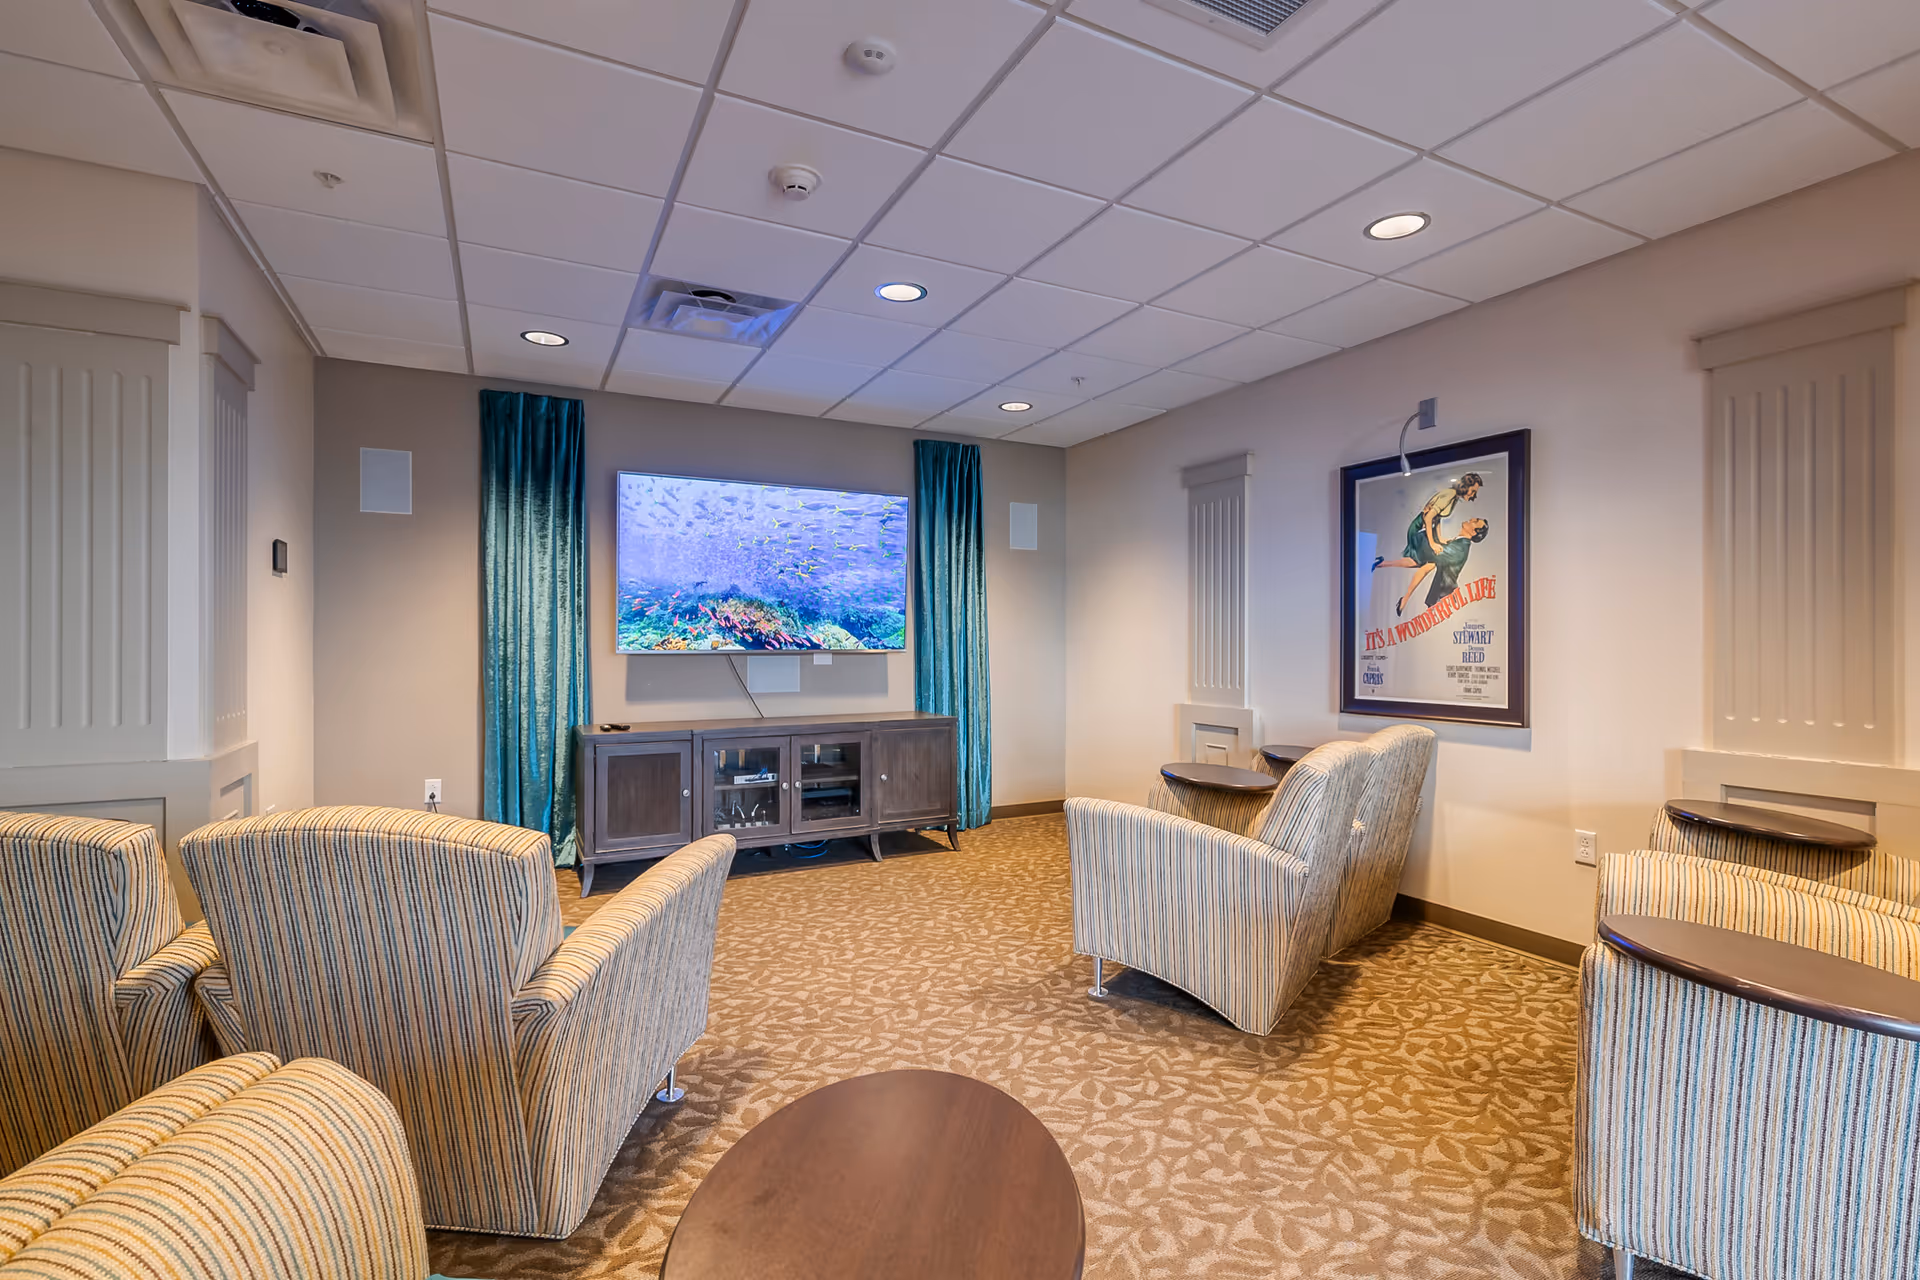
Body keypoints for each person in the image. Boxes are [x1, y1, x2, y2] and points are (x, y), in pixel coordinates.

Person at [1381, 516, 1488, 615]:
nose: (1472, 519)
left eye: (1475, 521)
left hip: (1444, 599)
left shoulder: (1459, 549)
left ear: (1473, 532)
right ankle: (1381, 564)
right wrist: (1406, 598)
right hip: (1439, 598)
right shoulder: (1457, 543)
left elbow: (1428, 550)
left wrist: (1428, 521)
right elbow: (1425, 568)